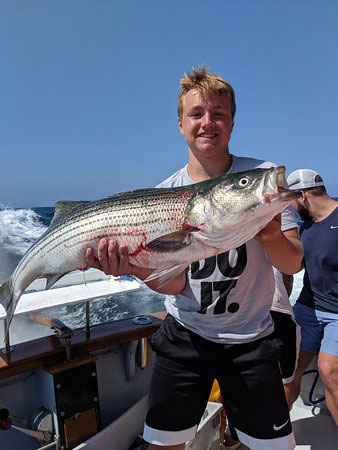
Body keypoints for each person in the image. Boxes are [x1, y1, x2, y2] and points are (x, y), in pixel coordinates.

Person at [86, 67, 303, 449]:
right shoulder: (164, 195)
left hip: (252, 339)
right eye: (197, 114)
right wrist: (135, 269)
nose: (208, 123)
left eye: (219, 113)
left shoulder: (261, 178)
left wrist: (269, 235)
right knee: (163, 445)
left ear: (233, 122)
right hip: (186, 335)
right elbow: (174, 282)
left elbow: (291, 264)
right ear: (180, 123)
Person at [284, 169, 338, 425]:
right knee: (288, 372)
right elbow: (292, 267)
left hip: (337, 315)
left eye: (291, 202)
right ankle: (275, 435)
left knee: (330, 370)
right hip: (307, 308)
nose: (291, 209)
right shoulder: (304, 228)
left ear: (302, 196)